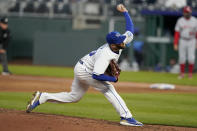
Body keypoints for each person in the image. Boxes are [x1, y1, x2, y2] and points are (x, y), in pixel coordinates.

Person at [26, 4, 143, 127]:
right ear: (113, 44)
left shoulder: (120, 41)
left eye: (121, 40)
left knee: (74, 97)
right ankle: (126, 117)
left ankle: (42, 97)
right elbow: (96, 75)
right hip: (85, 70)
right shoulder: (105, 54)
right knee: (109, 89)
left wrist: (125, 12)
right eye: (119, 42)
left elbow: (130, 29)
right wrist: (112, 79)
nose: (123, 42)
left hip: (82, 65)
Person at [173, 6, 197, 79]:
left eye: (188, 12)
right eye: (186, 12)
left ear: (190, 12)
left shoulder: (195, 20)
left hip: (192, 40)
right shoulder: (180, 20)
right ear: (183, 12)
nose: (187, 13)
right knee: (181, 57)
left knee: (191, 58)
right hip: (183, 40)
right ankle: (182, 74)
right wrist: (175, 43)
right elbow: (177, 33)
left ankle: (190, 74)